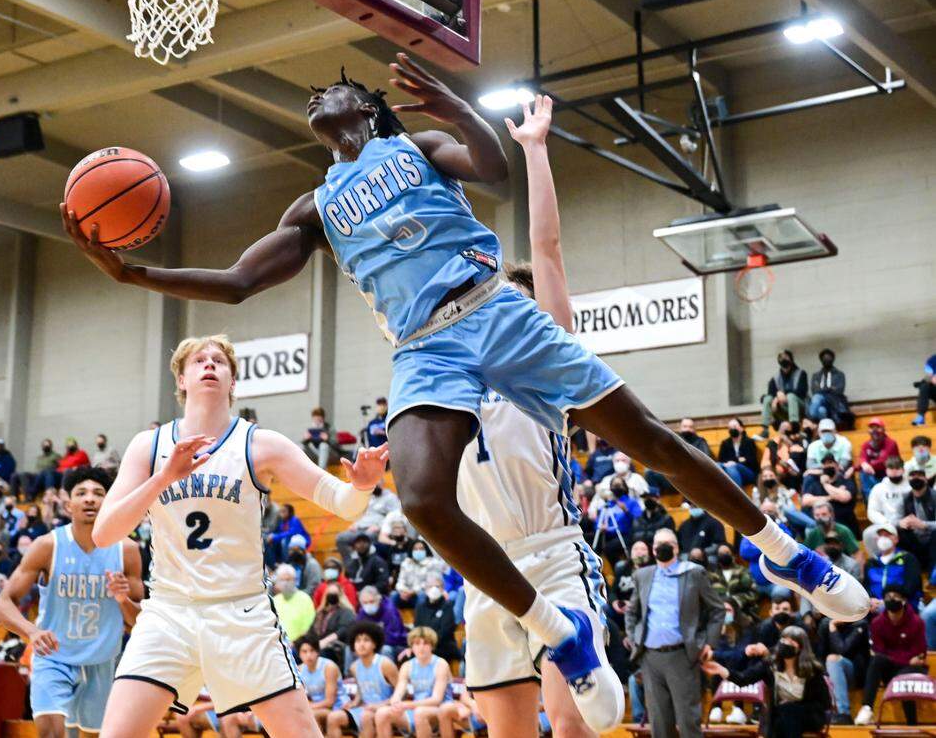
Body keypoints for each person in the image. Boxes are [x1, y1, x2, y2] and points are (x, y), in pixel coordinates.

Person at [64, 59, 868, 701]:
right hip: (425, 346)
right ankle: (558, 631)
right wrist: (134, 275)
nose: (318, 94)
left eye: (334, 87)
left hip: (494, 309)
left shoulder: (412, 150)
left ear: (370, 109)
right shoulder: (316, 205)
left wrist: (457, 108)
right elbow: (239, 281)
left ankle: (779, 549)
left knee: (652, 439)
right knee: (419, 499)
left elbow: (493, 170)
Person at [88, 335, 388, 738]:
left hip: (241, 613)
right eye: (198, 361)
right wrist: (163, 478)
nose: (209, 365)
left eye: (219, 361)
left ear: (233, 382)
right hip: (169, 612)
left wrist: (363, 486)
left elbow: (344, 504)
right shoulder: (150, 445)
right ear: (181, 379)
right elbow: (105, 533)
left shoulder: (260, 443)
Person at [0, 466, 144, 738]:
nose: (89, 499)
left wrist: (122, 600)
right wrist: (32, 632)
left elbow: (140, 622)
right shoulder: (47, 545)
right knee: (51, 733)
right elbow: (2, 604)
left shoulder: (127, 550)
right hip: (54, 657)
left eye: (98, 493)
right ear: (68, 504)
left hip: (102, 661)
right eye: (81, 493)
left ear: (109, 502)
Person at [625, 528, 725, 738]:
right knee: (660, 723)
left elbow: (718, 609)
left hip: (682, 655)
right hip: (650, 658)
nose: (662, 547)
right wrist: (636, 640)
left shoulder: (694, 573)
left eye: (667, 543)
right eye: (658, 544)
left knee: (688, 721)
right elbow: (631, 612)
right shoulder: (642, 575)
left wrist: (709, 644)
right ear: (653, 550)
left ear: (677, 548)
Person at [702, 626, 829, 738]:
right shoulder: (770, 665)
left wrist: (795, 707)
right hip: (781, 716)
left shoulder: (813, 670)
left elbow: (825, 703)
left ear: (801, 648)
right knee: (782, 717)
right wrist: (720, 670)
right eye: (783, 640)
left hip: (809, 716)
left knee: (788, 712)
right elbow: (743, 679)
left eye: (791, 641)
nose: (785, 643)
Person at [855, 584, 928, 726]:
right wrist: (906, 658)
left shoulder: (917, 622)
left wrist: (901, 657)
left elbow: (919, 651)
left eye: (895, 597)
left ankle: (912, 724)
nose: (891, 599)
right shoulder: (877, 623)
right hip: (893, 667)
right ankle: (867, 708)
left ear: (904, 600)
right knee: (877, 661)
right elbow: (880, 650)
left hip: (911, 670)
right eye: (888, 597)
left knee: (904, 677)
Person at [373, 627, 452, 738]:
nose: (421, 647)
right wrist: (396, 703)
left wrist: (408, 705)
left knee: (420, 713)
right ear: (412, 647)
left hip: (440, 709)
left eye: (425, 643)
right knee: (382, 713)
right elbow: (399, 692)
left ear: (432, 646)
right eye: (417, 643)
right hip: (416, 708)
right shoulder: (407, 666)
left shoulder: (441, 664)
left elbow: (436, 700)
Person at [326, 622, 397, 738]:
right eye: (358, 640)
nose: (361, 644)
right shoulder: (354, 667)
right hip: (365, 708)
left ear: (375, 644)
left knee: (366, 716)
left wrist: (380, 705)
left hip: (384, 708)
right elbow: (362, 690)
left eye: (366, 640)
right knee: (334, 717)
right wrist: (354, 703)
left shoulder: (385, 664)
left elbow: (401, 694)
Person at [815, 615, 868, 724]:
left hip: (856, 673)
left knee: (833, 659)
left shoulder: (860, 623)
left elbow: (842, 650)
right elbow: (819, 656)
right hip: (832, 673)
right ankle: (825, 713)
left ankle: (844, 713)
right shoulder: (825, 624)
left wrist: (833, 628)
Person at [296, 634, 348, 734]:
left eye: (312, 650)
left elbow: (330, 702)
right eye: (304, 651)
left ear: (318, 652)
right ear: (299, 654)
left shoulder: (329, 667)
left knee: (311, 715)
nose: (308, 655)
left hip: (338, 707)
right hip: (317, 707)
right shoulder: (299, 669)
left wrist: (307, 707)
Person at [335, 484, 400, 563]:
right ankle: (352, 566)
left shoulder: (389, 497)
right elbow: (360, 513)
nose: (374, 484)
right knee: (341, 538)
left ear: (382, 482)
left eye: (377, 482)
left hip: (376, 530)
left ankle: (370, 566)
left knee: (366, 538)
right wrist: (355, 524)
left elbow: (395, 516)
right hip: (359, 528)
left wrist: (380, 526)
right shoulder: (364, 496)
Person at [862, 525, 922, 609]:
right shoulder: (871, 562)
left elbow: (911, 586)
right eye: (880, 535)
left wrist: (888, 601)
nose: (883, 538)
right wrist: (870, 600)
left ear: (896, 539)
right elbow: (866, 586)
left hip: (902, 604)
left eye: (887, 535)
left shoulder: (908, 558)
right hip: (874, 605)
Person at [863, 456, 910, 554]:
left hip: (907, 523)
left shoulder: (910, 486)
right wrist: (886, 523)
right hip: (885, 523)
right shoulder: (878, 488)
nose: (894, 472)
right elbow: (872, 511)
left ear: (903, 469)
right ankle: (876, 561)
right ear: (886, 470)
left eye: (897, 469)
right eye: (891, 469)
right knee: (868, 534)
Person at [412, 574, 460, 664]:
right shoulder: (420, 606)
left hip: (443, 646)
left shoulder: (448, 605)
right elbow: (417, 628)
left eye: (437, 586)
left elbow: (446, 631)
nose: (434, 589)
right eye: (430, 586)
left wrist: (429, 644)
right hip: (423, 645)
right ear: (426, 589)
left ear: (443, 589)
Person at [709, 544, 760, 626]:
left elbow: (754, 593)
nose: (724, 555)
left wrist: (735, 600)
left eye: (727, 553)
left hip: (742, 610)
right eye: (721, 554)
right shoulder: (712, 575)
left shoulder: (743, 572)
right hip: (718, 612)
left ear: (733, 554)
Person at [759, 350, 808, 435]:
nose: (783, 360)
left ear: (791, 360)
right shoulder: (775, 378)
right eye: (781, 358)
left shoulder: (801, 373)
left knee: (791, 396)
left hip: (799, 409)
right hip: (784, 410)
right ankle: (765, 429)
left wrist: (784, 394)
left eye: (786, 357)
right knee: (767, 398)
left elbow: (802, 392)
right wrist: (776, 398)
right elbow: (770, 393)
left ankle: (795, 426)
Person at [309, 582, 356, 668]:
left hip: (335, 647)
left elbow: (343, 630)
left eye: (335, 593)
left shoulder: (346, 612)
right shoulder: (321, 613)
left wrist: (325, 641)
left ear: (340, 595)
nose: (332, 595)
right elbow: (311, 631)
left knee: (320, 653)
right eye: (330, 593)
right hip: (318, 645)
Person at [900, 466, 936, 572]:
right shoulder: (905, 497)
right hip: (915, 538)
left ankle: (932, 572)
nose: (916, 478)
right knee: (900, 533)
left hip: (932, 538)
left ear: (926, 478)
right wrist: (901, 522)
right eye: (912, 475)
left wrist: (924, 524)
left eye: (920, 475)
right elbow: (896, 519)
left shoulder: (934, 496)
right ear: (907, 479)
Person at [357, 585, 407, 659]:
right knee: (351, 648)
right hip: (372, 643)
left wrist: (372, 644)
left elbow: (393, 636)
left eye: (371, 601)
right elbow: (357, 632)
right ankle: (351, 670)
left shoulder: (389, 610)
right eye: (365, 603)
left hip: (395, 644)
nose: (368, 605)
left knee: (385, 649)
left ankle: (387, 670)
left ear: (378, 599)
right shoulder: (362, 612)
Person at [393, 539, 445, 609]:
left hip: (422, 592)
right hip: (406, 593)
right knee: (393, 595)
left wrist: (413, 591)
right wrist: (403, 590)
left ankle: (420, 618)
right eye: (415, 549)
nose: (418, 551)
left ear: (426, 550)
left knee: (422, 595)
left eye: (421, 549)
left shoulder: (433, 563)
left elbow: (430, 583)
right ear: (411, 551)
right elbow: (400, 581)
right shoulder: (406, 563)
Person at [273, 563, 317, 642]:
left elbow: (308, 628)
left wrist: (295, 644)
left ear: (295, 580)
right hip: (279, 646)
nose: (285, 583)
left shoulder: (305, 599)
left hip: (299, 646)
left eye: (288, 579)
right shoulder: (274, 601)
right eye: (282, 580)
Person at [859, 417, 901, 498]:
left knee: (865, 470)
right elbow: (862, 458)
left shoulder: (891, 443)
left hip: (889, 473)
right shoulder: (866, 444)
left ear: (883, 430)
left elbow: (883, 461)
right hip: (874, 474)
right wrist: (863, 463)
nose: (875, 431)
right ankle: (871, 499)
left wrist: (866, 465)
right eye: (871, 428)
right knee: (864, 473)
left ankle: (874, 498)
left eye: (878, 427)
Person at [808, 349, 849, 424]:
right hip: (821, 402)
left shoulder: (839, 374)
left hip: (834, 402)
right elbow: (814, 391)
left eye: (829, 358)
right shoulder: (816, 376)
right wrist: (829, 388)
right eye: (824, 358)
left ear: (833, 359)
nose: (826, 360)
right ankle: (823, 429)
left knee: (817, 398)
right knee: (821, 409)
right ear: (821, 360)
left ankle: (810, 419)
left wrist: (822, 389)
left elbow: (839, 391)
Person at [717, 418, 759, 488]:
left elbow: (751, 460)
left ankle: (737, 496)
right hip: (728, 470)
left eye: (735, 426)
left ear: (742, 428)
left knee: (732, 467)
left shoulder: (749, 442)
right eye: (730, 427)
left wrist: (733, 462)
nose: (732, 429)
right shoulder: (725, 443)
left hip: (748, 472)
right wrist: (739, 459)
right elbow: (721, 460)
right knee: (717, 465)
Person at [911, 352, 936, 426]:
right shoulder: (932, 360)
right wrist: (932, 379)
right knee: (924, 386)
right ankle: (920, 417)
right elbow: (928, 377)